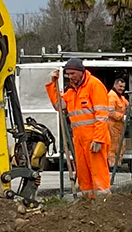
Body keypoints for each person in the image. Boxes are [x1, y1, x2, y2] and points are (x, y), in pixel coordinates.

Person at [45, 57, 112, 197]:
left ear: (81, 72)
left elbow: (102, 115)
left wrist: (98, 139)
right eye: (68, 74)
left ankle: (104, 204)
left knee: (98, 173)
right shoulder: (71, 91)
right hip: (79, 140)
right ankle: (87, 202)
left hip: (94, 139)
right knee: (83, 174)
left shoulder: (94, 85)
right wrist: (53, 84)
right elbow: (59, 106)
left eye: (72, 74)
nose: (70, 77)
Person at [107, 77, 129, 170]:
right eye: (120, 86)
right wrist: (122, 117)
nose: (122, 88)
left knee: (120, 146)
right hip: (112, 126)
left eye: (123, 87)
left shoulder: (120, 97)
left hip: (119, 127)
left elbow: (127, 104)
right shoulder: (112, 96)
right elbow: (110, 112)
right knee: (112, 147)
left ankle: (117, 165)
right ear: (115, 85)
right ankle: (112, 166)